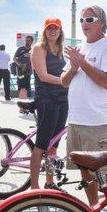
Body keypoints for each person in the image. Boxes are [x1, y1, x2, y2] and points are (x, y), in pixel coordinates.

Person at [61, 5, 107, 212]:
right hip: (75, 120)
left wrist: (82, 63)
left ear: (102, 23)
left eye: (89, 19)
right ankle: (93, 211)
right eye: (82, 20)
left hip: (96, 121)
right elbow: (64, 81)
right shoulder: (80, 48)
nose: (84, 23)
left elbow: (106, 81)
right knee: (85, 172)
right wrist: (74, 66)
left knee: (106, 172)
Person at [29, 18, 68, 190]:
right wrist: (64, 81)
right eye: (49, 28)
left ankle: (50, 182)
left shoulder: (59, 50)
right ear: (45, 31)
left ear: (60, 31)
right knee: (41, 144)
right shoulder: (39, 48)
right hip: (47, 100)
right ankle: (34, 187)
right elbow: (43, 76)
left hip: (62, 100)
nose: (53, 31)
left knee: (54, 145)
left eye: (56, 28)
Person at [14, 35, 33, 112]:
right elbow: (14, 58)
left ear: (32, 42)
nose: (27, 42)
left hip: (28, 72)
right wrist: (19, 65)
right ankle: (21, 108)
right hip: (21, 71)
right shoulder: (20, 49)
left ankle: (23, 107)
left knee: (25, 90)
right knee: (22, 89)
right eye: (26, 40)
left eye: (29, 40)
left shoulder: (32, 50)